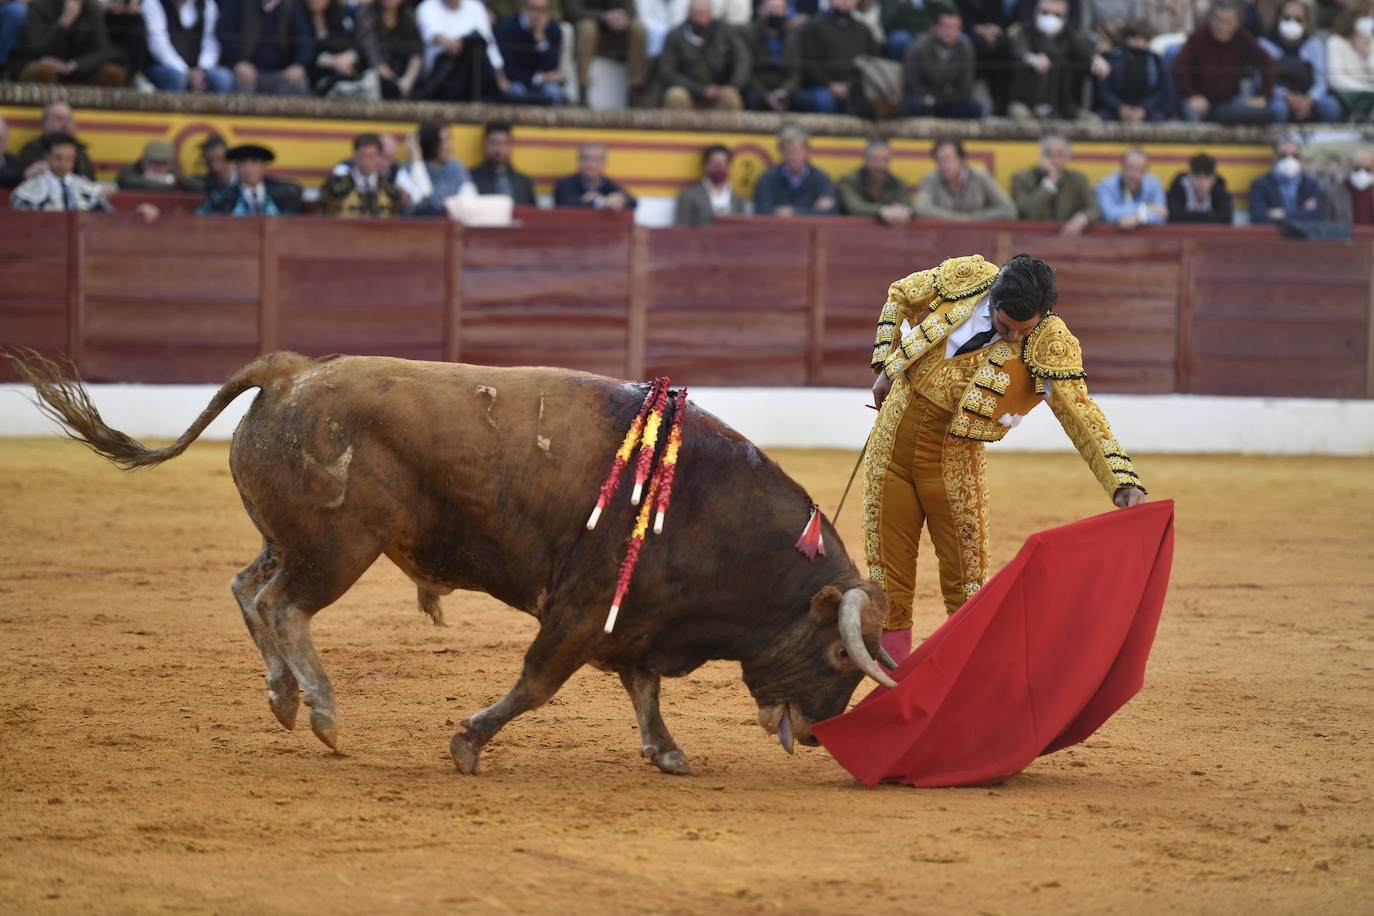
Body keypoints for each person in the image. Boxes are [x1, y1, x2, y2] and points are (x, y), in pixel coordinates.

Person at [863, 252, 1147, 662]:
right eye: (1005, 326)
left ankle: (964, 692)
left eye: (1024, 329)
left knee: (968, 586)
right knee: (887, 578)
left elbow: (1080, 413)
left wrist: (1121, 481)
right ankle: (890, 695)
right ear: (992, 301)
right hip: (890, 447)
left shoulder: (1048, 342)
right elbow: (900, 295)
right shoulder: (966, 280)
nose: (1014, 338)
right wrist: (885, 365)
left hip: (953, 464)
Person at [1171, 0, 1276, 123]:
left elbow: (1269, 64)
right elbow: (1179, 66)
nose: (1222, 27)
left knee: (1257, 112)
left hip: (1231, 102)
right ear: (1210, 20)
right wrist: (1192, 95)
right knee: (1190, 109)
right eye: (1218, 21)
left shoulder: (1244, 38)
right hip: (1201, 100)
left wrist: (1263, 96)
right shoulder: (1198, 37)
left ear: (1237, 23)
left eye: (1228, 22)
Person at [1006, 0, 1107, 120]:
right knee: (1020, 117)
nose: (1049, 18)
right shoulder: (1025, 30)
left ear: (1065, 18)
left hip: (1062, 106)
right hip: (1026, 103)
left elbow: (1083, 47)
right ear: (1036, 13)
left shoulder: (1070, 35)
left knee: (1093, 120)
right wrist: (1031, 58)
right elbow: (1019, 48)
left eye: (1056, 15)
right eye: (1045, 12)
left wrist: (1096, 58)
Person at [1259, 0, 1343, 122]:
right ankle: (1279, 140)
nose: (1292, 23)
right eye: (1287, 18)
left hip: (1308, 96)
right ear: (1278, 19)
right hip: (1279, 97)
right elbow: (1261, 80)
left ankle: (1323, 140)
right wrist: (1288, 97)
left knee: (1331, 106)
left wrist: (1309, 99)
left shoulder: (1313, 43)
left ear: (1306, 23)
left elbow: (1321, 80)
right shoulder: (1265, 43)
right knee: (1278, 108)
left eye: (1298, 20)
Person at [656, 0, 749, 110]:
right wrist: (702, 90)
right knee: (676, 95)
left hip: (719, 90)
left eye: (705, 13)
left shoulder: (725, 32)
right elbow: (667, 72)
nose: (702, 18)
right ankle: (681, 127)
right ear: (689, 13)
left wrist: (733, 85)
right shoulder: (675, 35)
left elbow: (742, 59)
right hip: (688, 91)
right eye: (698, 13)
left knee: (732, 98)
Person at [10, 0, 126, 84]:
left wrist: (73, 65)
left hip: (75, 68)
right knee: (44, 71)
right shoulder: (39, 6)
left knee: (114, 73)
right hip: (42, 62)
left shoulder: (93, 9)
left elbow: (103, 51)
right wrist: (64, 22)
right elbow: (36, 48)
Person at [414, 0, 508, 100]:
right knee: (471, 46)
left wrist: (499, 75)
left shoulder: (476, 7)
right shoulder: (426, 7)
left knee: (475, 46)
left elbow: (488, 43)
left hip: (477, 70)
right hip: (444, 73)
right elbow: (437, 36)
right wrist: (460, 44)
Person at [216, 0, 313, 94]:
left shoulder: (291, 5)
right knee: (241, 81)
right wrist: (239, 61)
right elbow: (224, 33)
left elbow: (304, 40)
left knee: (298, 83)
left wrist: (298, 64)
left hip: (279, 73)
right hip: (245, 70)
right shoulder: (239, 2)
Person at [903, 5, 983, 118]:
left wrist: (941, 99)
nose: (951, 32)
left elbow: (966, 88)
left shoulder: (966, 48)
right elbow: (912, 84)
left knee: (974, 108)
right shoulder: (918, 48)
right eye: (946, 27)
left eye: (956, 27)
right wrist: (931, 98)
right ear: (934, 27)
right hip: (924, 100)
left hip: (950, 100)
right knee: (912, 103)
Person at [799, 0, 877, 115]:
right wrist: (830, 85)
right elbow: (808, 63)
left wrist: (854, 87)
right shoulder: (813, 26)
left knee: (872, 103)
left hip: (856, 89)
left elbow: (872, 62)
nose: (846, 2)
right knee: (824, 101)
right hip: (821, 87)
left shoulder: (864, 30)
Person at [1010, 132, 1097, 235]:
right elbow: (1027, 213)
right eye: (1048, 154)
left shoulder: (1078, 179)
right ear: (1040, 156)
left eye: (1060, 155)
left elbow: (1093, 208)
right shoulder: (1021, 179)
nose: (1054, 160)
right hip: (1031, 239)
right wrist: (1049, 183)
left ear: (1067, 158)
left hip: (1067, 239)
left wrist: (1081, 219)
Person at [912, 137, 1016, 221]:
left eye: (948, 159)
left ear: (961, 160)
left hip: (979, 240)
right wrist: (959, 220)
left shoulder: (980, 176)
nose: (943, 165)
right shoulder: (931, 178)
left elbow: (1008, 210)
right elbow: (921, 209)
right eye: (939, 160)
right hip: (944, 241)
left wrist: (973, 219)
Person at [565, 0, 647, 105]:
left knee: (638, 29)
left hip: (617, 31)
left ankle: (636, 89)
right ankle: (583, 91)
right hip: (588, 27)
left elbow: (630, 9)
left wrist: (622, 18)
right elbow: (573, 12)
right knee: (587, 28)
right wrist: (603, 17)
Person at [141, 0, 234, 91]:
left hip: (200, 68)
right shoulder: (153, 2)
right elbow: (159, 47)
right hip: (164, 66)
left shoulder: (207, 4)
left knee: (222, 77)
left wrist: (201, 69)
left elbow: (211, 44)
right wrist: (186, 71)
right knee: (177, 78)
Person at [10, 131, 114, 211]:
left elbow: (107, 219)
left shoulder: (87, 188)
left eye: (69, 159)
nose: (64, 164)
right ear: (46, 156)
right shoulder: (29, 189)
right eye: (58, 158)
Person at [1095, 21, 1171, 121]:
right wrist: (1120, 108)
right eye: (1136, 38)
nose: (1140, 43)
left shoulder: (1155, 60)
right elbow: (1104, 90)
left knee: (1158, 119)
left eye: (1144, 39)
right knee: (1101, 117)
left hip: (1146, 111)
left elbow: (1161, 91)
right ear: (1127, 39)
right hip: (1115, 109)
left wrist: (1143, 109)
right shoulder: (1112, 58)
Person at [753, 125, 836, 216]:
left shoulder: (820, 178)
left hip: (811, 230)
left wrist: (793, 211)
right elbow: (762, 211)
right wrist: (811, 209)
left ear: (807, 152)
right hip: (778, 229)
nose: (793, 156)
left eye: (797, 151)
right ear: (781, 153)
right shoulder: (768, 178)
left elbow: (830, 213)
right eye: (788, 151)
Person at [198, 143, 302, 215]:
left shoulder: (283, 195)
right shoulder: (223, 197)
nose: (248, 168)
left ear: (263, 167)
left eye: (254, 162)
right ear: (237, 167)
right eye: (243, 162)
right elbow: (201, 218)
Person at [318, 133, 404, 218]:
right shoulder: (334, 186)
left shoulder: (390, 189)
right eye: (361, 156)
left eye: (371, 157)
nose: (365, 162)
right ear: (354, 156)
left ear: (378, 157)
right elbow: (323, 217)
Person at [495, 0, 565, 104]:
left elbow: (551, 67)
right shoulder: (507, 28)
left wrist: (541, 40)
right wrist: (537, 79)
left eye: (543, 10)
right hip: (516, 81)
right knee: (516, 91)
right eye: (534, 9)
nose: (538, 15)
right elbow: (508, 69)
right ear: (524, 8)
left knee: (553, 91)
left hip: (543, 83)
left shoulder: (553, 29)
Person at [403, 121, 476, 216]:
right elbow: (422, 197)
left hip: (452, 224)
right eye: (444, 141)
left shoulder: (456, 166)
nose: (449, 146)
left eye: (450, 139)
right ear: (430, 143)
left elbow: (470, 197)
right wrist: (416, 159)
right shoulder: (409, 169)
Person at [743, 0, 804, 112]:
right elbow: (746, 70)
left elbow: (796, 71)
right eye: (773, 8)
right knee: (752, 98)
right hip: (758, 85)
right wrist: (765, 94)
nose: (777, 12)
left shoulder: (792, 36)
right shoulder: (749, 34)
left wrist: (784, 91)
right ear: (761, 10)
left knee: (803, 100)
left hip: (783, 85)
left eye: (781, 8)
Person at [836, 137, 912, 226]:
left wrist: (904, 212)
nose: (880, 165)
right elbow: (853, 208)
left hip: (889, 235)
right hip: (853, 233)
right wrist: (882, 211)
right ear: (865, 160)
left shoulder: (897, 182)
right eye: (875, 159)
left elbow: (907, 206)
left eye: (885, 160)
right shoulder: (849, 180)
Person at [1248, 134, 1323, 224]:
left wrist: (1281, 214)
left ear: (1300, 158)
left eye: (1294, 156)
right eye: (1283, 156)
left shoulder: (1310, 185)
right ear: (1275, 158)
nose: (1289, 160)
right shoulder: (1261, 184)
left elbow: (1316, 215)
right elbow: (1258, 217)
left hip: (1303, 235)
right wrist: (1301, 213)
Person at [356, 0, 422, 99]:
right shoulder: (367, 12)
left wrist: (408, 79)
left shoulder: (408, 14)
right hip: (375, 78)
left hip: (406, 79)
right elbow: (372, 53)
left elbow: (416, 52)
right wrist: (394, 83)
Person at [16, 102, 95, 180]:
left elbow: (89, 182)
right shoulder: (31, 150)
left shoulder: (80, 151)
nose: (66, 124)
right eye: (59, 118)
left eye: (69, 119)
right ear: (44, 123)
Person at [303, 0, 364, 96]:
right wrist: (333, 62)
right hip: (317, 76)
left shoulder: (340, 15)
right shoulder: (298, 16)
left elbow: (356, 43)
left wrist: (348, 58)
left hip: (348, 70)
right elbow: (305, 51)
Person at [1095, 148, 1166, 229]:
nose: (1136, 175)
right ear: (1122, 167)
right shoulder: (1106, 185)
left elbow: (1162, 215)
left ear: (1147, 170)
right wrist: (1144, 207)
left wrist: (1139, 218)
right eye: (1131, 169)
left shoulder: (1154, 183)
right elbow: (1108, 214)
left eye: (1141, 170)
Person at [553, 141, 636, 210]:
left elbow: (633, 202)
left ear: (604, 164)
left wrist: (614, 199)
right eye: (586, 158)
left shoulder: (607, 183)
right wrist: (601, 202)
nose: (590, 164)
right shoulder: (564, 183)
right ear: (579, 161)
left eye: (596, 159)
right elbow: (566, 203)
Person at [674, 143, 744, 225]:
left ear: (729, 166)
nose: (719, 167)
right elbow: (681, 228)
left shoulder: (737, 198)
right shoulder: (689, 195)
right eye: (714, 163)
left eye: (722, 163)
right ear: (705, 165)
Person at [470, 120, 536, 204]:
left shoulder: (524, 182)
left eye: (503, 143)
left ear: (510, 145)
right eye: (493, 143)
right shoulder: (472, 179)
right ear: (484, 144)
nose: (498, 149)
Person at [1327, 4, 1374, 121]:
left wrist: (1367, 55)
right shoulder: (1335, 41)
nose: (1370, 20)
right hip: (1348, 93)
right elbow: (1336, 80)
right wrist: (1367, 89)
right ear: (1353, 17)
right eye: (1366, 16)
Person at [1166, 152, 1234, 224]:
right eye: (1197, 176)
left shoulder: (1220, 191)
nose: (1202, 182)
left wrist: (1189, 216)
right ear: (1189, 176)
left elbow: (1227, 218)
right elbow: (1174, 217)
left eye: (1206, 177)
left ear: (1213, 178)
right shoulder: (1178, 189)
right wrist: (1210, 216)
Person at [116, 138, 196, 190]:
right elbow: (130, 182)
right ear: (144, 161)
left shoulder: (173, 174)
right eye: (154, 162)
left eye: (163, 163)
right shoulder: (130, 171)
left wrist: (178, 180)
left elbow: (197, 186)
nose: (158, 167)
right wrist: (169, 184)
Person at [1324, 147, 1374, 225]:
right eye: (1357, 168)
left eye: (1367, 169)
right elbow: (1326, 224)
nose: (1362, 172)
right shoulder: (1332, 193)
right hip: (1345, 236)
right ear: (1350, 167)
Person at [0, 116, 26, 189]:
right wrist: (23, 174)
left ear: (7, 140)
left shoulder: (16, 163)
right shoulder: (21, 172)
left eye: (0, 139)